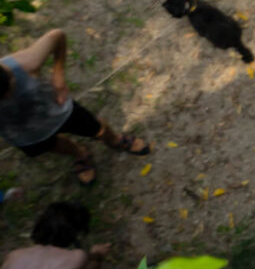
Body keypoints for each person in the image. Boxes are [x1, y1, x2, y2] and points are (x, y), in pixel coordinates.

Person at [0, 29, 149, 184]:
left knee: (95, 128)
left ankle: (114, 140)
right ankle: (79, 153)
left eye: (9, 89)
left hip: (55, 110)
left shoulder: (25, 63)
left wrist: (58, 75)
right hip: (21, 133)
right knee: (52, 145)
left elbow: (57, 36)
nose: (8, 97)